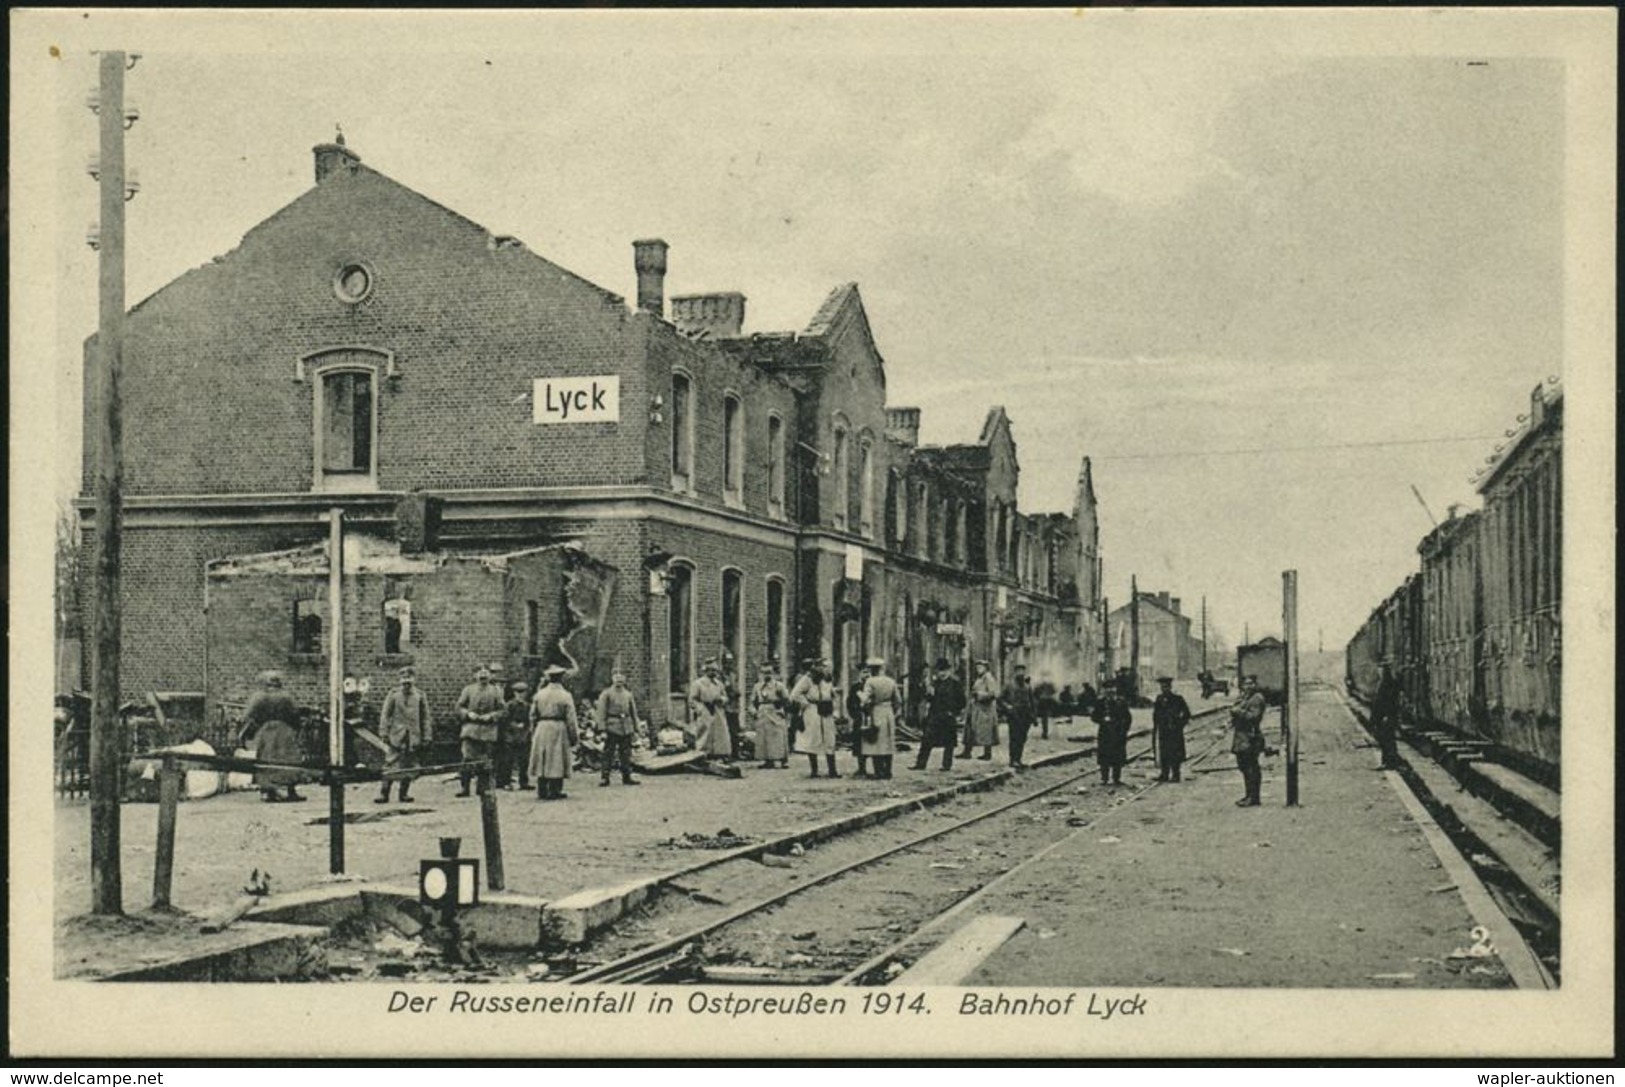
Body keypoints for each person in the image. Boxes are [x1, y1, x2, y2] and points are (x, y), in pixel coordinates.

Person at [238, 671, 308, 803]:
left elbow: (248, 715)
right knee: (289, 760)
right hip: (285, 730)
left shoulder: (259, 697)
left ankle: (269, 791)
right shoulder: (287, 697)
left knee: (267, 760)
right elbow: (295, 714)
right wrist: (296, 728)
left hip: (267, 731)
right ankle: (291, 790)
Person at [376, 666, 432, 804]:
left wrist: (427, 736)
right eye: (404, 681)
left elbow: (425, 717)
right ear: (400, 681)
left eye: (409, 681)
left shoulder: (420, 695)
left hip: (413, 735)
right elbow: (385, 714)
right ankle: (384, 793)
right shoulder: (393, 694)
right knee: (390, 763)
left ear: (414, 680)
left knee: (409, 764)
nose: (406, 684)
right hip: (396, 735)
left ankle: (404, 793)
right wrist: (383, 732)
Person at [529, 665, 580, 800]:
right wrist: (574, 736)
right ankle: (555, 790)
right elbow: (571, 718)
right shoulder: (565, 696)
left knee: (543, 757)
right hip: (558, 727)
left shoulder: (539, 694)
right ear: (561, 678)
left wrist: (534, 731)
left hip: (542, 727)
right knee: (557, 758)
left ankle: (542, 790)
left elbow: (532, 715)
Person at [454, 663, 505, 797]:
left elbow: (503, 710)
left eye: (486, 672)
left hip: (488, 731)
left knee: (486, 761)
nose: (483, 675)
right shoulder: (468, 690)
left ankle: (482, 788)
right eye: (479, 673)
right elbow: (458, 707)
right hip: (470, 730)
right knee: (467, 759)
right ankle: (465, 788)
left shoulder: (496, 691)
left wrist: (491, 716)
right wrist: (468, 714)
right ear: (474, 675)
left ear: (490, 675)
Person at [790, 658, 840, 779]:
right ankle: (814, 770)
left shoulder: (827, 679)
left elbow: (833, 694)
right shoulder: (808, 679)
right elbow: (795, 694)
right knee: (813, 738)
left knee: (829, 739)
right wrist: (806, 703)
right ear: (816, 667)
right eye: (822, 666)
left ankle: (832, 770)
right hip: (813, 710)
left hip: (826, 709)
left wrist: (834, 705)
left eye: (827, 667)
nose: (825, 669)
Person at [914, 657, 965, 771]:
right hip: (935, 715)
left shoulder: (955, 684)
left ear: (949, 671)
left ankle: (946, 765)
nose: (941, 673)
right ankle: (920, 764)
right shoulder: (936, 683)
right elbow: (929, 699)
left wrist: (954, 712)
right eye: (939, 670)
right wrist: (928, 693)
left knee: (949, 742)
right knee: (926, 739)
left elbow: (962, 701)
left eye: (944, 670)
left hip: (948, 715)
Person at [594, 669, 641, 787]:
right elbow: (601, 712)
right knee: (608, 753)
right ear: (612, 678)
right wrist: (602, 729)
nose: (619, 680)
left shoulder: (628, 694)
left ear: (625, 680)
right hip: (612, 726)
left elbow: (633, 713)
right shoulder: (606, 694)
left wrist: (636, 728)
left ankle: (627, 776)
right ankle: (605, 777)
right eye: (616, 677)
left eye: (621, 677)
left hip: (626, 727)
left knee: (626, 754)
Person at [859, 657, 900, 780]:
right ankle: (888, 771)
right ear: (882, 668)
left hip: (876, 711)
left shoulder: (870, 682)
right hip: (888, 712)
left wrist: (861, 699)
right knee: (888, 742)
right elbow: (898, 700)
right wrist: (895, 712)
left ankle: (878, 771)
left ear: (871, 669)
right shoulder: (891, 681)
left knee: (875, 742)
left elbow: (865, 699)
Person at [1230, 675, 1268, 806]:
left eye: (1251, 684)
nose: (1248, 686)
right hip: (1241, 737)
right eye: (1246, 684)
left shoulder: (1257, 698)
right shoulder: (1244, 697)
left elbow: (1254, 717)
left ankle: (1254, 797)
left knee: (1251, 768)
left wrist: (1238, 711)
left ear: (1255, 685)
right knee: (1244, 767)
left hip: (1251, 737)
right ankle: (1248, 795)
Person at [689, 659, 733, 762]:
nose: (713, 673)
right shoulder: (698, 684)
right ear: (706, 671)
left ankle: (720, 754)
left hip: (718, 710)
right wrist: (700, 710)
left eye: (715, 671)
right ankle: (703, 754)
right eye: (711, 670)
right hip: (705, 710)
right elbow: (692, 700)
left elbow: (725, 697)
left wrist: (722, 700)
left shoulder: (719, 684)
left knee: (720, 733)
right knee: (704, 732)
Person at [751, 661, 792, 769]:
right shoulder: (757, 686)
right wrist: (754, 711)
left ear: (773, 673)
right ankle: (767, 759)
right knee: (764, 736)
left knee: (778, 735)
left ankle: (782, 759)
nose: (766, 675)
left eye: (769, 672)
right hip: (762, 711)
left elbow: (787, 700)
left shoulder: (779, 686)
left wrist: (781, 706)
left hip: (775, 711)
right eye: (764, 673)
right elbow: (752, 702)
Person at [1091, 678, 1132, 786]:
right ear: (1104, 691)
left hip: (1118, 733)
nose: (1110, 691)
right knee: (1104, 756)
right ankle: (1104, 778)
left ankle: (1116, 778)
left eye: (1112, 689)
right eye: (1107, 689)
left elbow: (1128, 718)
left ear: (1115, 690)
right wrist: (1102, 720)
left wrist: (1124, 730)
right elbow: (1094, 717)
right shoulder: (1100, 702)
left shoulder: (1121, 702)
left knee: (1117, 756)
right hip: (1105, 733)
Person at [1152, 676, 1191, 782]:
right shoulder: (1159, 699)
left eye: (1166, 687)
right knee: (1164, 752)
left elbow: (1187, 713)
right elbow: (1156, 715)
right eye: (1162, 687)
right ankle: (1164, 774)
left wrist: (1180, 724)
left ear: (1170, 687)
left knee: (1175, 753)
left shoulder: (1178, 699)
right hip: (1163, 731)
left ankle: (1175, 774)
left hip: (1175, 731)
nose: (1164, 689)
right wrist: (1156, 726)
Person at [1000, 662, 1037, 770]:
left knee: (1022, 738)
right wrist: (1008, 707)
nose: (1021, 673)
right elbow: (1000, 699)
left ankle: (1019, 759)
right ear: (1015, 672)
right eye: (1019, 671)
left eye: (1023, 671)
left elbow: (1032, 702)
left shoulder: (1027, 687)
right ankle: (1013, 760)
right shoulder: (1009, 685)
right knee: (1014, 738)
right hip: (1014, 715)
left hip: (1026, 716)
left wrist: (1034, 717)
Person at [496, 678, 532, 791]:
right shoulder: (509, 705)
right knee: (508, 760)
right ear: (514, 693)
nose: (520, 695)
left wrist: (526, 731)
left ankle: (524, 782)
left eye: (523, 692)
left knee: (524, 761)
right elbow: (505, 720)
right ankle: (505, 782)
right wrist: (514, 726)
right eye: (518, 692)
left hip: (523, 737)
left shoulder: (528, 706)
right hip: (510, 737)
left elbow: (530, 720)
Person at [962, 660, 999, 761]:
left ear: (986, 668)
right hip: (975, 708)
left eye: (981, 667)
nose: (978, 669)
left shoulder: (988, 678)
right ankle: (967, 752)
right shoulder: (980, 678)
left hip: (985, 709)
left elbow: (993, 694)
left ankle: (987, 754)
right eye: (977, 667)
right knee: (970, 729)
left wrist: (979, 694)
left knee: (986, 731)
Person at [1370, 664, 1403, 769]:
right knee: (1385, 740)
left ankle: (1390, 762)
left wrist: (1387, 716)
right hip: (1382, 718)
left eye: (1381, 671)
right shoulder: (1382, 684)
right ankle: (1387, 762)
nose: (1379, 672)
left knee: (1387, 741)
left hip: (1386, 718)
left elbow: (1389, 703)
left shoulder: (1388, 686)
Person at [848, 679, 870, 778]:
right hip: (859, 717)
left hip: (871, 717)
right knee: (859, 743)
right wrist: (855, 714)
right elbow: (849, 702)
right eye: (864, 671)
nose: (866, 674)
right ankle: (861, 768)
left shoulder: (872, 684)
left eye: (868, 671)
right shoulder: (855, 687)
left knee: (872, 741)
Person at [1034, 674, 1058, 739]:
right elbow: (1035, 693)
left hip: (1046, 703)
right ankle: (1045, 732)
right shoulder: (1041, 686)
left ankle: (1045, 732)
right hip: (1044, 703)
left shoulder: (1047, 685)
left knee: (1045, 718)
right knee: (1045, 718)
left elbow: (1054, 691)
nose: (1045, 679)